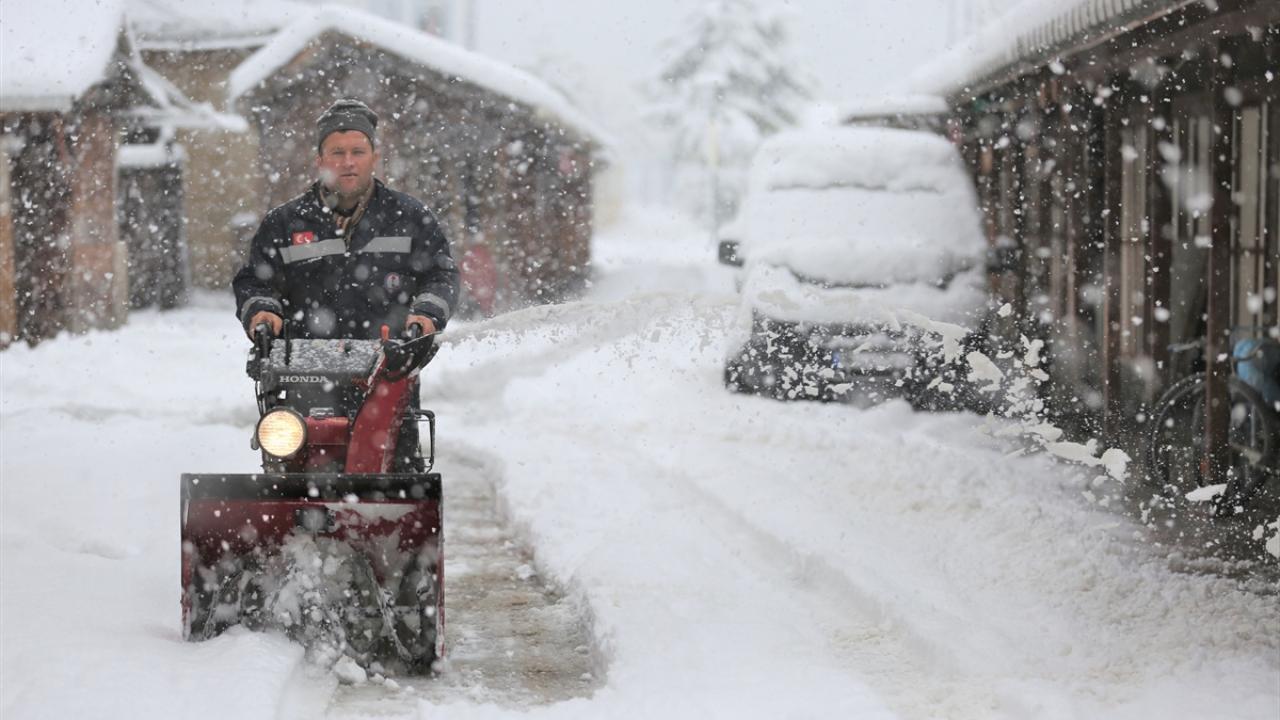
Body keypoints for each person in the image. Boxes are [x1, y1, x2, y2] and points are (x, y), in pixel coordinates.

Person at [232, 98, 459, 469]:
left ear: (374, 157)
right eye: (337, 153)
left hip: (389, 371)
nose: (348, 162)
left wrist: (426, 314)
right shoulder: (285, 224)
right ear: (320, 160)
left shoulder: (409, 218)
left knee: (395, 477)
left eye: (358, 152)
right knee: (298, 473)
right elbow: (256, 283)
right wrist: (262, 312)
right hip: (304, 374)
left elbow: (441, 274)